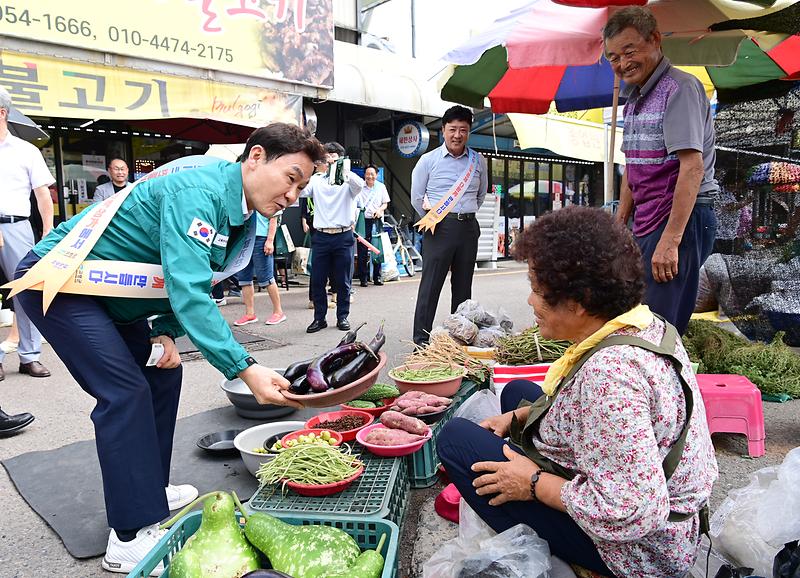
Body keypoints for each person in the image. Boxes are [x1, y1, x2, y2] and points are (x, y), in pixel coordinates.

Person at [12, 123, 325, 575]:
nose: (293, 195)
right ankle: (128, 536)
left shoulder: (243, 215)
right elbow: (189, 290)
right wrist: (244, 367)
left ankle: (149, 489)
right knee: (124, 394)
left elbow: (197, 278)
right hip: (61, 285)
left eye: (302, 186)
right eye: (291, 177)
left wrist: (163, 329)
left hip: (115, 299)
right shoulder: (201, 191)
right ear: (255, 157)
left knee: (162, 370)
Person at [438, 206, 718, 578]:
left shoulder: (610, 376)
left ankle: (586, 566)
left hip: (643, 551)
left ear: (580, 300)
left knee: (456, 439)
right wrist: (517, 416)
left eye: (538, 292)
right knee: (519, 395)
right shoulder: (644, 323)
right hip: (663, 515)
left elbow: (634, 512)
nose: (530, 302)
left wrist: (533, 484)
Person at [607, 6, 718, 336]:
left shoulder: (679, 88)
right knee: (638, 318)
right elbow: (633, 168)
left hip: (679, 220)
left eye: (629, 51)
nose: (622, 63)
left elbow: (692, 167)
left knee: (658, 330)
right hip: (648, 219)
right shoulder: (634, 99)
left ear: (654, 40)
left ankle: (665, 387)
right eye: (613, 57)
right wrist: (618, 224)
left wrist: (670, 241)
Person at [411, 105, 488, 346]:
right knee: (430, 287)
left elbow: (481, 195)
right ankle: (421, 342)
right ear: (443, 130)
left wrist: (463, 212)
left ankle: (459, 340)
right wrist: (434, 217)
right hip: (439, 229)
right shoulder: (428, 160)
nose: (457, 135)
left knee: (464, 289)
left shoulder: (479, 161)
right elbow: (416, 197)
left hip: (468, 229)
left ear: (469, 132)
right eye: (452, 129)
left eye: (463, 130)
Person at [0, 86, 52, 380]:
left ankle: (29, 356)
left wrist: (47, 231)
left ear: (2, 113)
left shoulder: (25, 150)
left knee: (25, 291)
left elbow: (42, 194)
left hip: (17, 226)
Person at [301, 142, 364, 334]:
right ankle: (319, 318)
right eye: (327, 159)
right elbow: (302, 191)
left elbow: (359, 186)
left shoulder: (349, 181)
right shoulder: (317, 180)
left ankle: (342, 316)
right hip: (320, 236)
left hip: (343, 235)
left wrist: (343, 169)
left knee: (343, 280)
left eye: (334, 159)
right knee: (318, 280)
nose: (330, 163)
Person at [233, 212, 286, 327]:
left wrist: (270, 240)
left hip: (261, 237)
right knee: (244, 277)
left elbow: (274, 218)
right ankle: (249, 313)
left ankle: (278, 312)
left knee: (266, 277)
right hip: (244, 237)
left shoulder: (267, 195)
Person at [356, 164, 390, 287]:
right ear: (364, 175)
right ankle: (363, 278)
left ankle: (377, 277)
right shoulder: (360, 187)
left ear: (377, 175)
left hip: (376, 221)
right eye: (367, 174)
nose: (370, 176)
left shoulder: (381, 187)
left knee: (377, 249)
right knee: (362, 251)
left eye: (372, 174)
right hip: (363, 222)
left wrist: (380, 210)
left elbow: (385, 203)